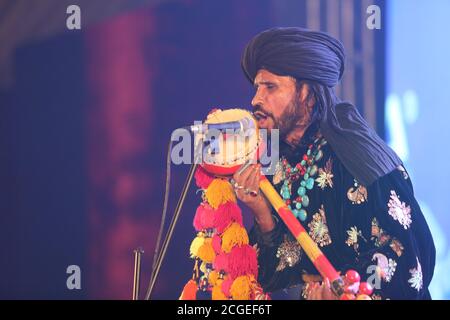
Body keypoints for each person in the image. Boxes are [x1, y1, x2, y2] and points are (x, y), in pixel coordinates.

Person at [231, 27, 435, 300]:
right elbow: (276, 274)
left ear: (308, 94)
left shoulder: (357, 154)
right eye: (257, 88)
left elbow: (410, 256)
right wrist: (261, 213)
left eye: (270, 87)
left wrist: (346, 289)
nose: (256, 99)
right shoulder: (279, 162)